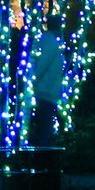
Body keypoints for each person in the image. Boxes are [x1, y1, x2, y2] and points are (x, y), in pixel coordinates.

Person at [29, 15, 66, 147]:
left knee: (43, 128)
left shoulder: (48, 41)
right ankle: (41, 161)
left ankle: (40, 158)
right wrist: (32, 82)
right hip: (46, 92)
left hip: (45, 91)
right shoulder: (51, 43)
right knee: (44, 130)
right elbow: (42, 66)